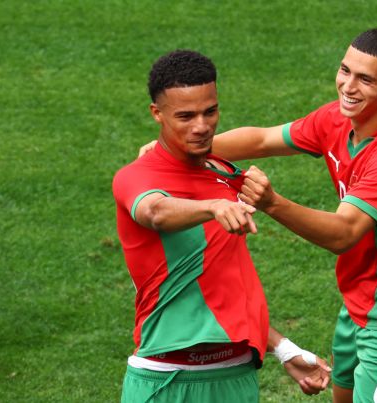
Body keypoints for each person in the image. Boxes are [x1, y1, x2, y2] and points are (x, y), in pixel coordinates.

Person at [140, 28, 377, 403]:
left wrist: (272, 203)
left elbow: (344, 233)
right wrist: (181, 151)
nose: (348, 86)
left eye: (365, 79)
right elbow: (262, 140)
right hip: (360, 302)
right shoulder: (337, 120)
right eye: (345, 71)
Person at [113, 49, 330, 403]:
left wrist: (283, 348)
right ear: (157, 113)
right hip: (167, 382)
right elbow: (153, 211)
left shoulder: (225, 175)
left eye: (210, 111)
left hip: (235, 377)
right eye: (185, 116)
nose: (202, 126)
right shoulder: (136, 177)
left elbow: (221, 289)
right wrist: (213, 206)